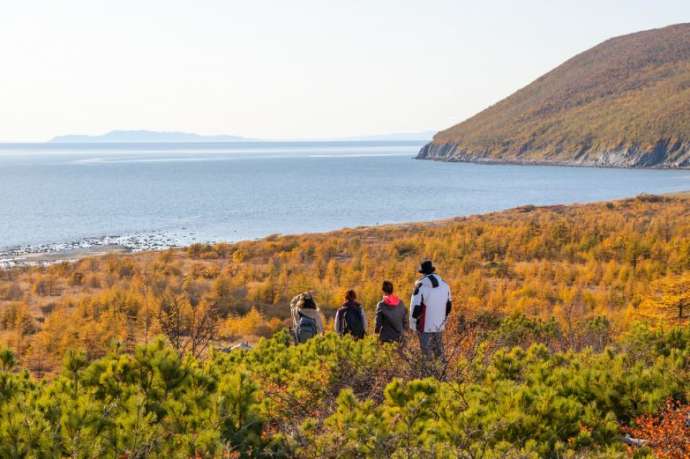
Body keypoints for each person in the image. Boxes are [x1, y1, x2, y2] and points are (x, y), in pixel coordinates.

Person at [409, 260, 452, 360]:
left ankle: (428, 374)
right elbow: (449, 307)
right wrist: (443, 321)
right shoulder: (445, 285)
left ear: (423, 273)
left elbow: (415, 309)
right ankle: (442, 374)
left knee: (426, 354)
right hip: (439, 325)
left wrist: (413, 325)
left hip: (424, 326)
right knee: (439, 353)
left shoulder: (420, 287)